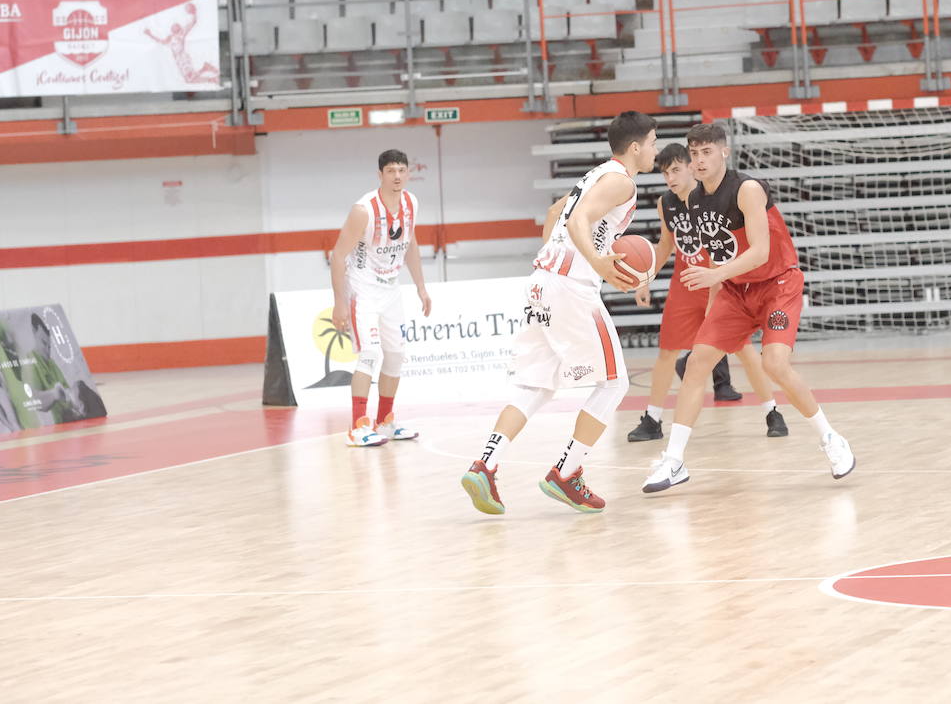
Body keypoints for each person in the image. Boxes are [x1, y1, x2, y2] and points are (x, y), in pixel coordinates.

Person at [460, 111, 659, 514]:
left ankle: (486, 464)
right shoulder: (621, 181)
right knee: (614, 384)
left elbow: (555, 215)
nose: (655, 149)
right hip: (571, 287)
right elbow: (580, 219)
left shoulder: (595, 175)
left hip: (542, 281)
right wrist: (597, 262)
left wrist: (558, 262)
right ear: (636, 147)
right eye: (654, 142)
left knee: (534, 384)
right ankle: (566, 473)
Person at [642, 122, 855, 493]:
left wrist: (714, 275)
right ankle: (674, 460)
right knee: (696, 363)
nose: (699, 160)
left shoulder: (747, 189)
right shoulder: (692, 200)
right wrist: (713, 298)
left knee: (774, 363)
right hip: (734, 292)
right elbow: (716, 252)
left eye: (706, 152)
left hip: (777, 285)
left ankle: (831, 438)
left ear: (724, 152)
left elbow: (760, 252)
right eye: (694, 153)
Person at [627, 143, 789, 443]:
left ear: (692, 167)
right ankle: (652, 418)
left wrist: (720, 279)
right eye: (665, 173)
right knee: (667, 352)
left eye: (675, 170)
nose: (670, 178)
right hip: (686, 283)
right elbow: (665, 245)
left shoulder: (713, 198)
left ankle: (772, 410)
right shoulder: (667, 203)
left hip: (719, 280)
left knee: (744, 349)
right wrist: (644, 278)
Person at [330, 149, 432, 447]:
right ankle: (358, 426)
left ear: (408, 173)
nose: (397, 176)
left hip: (391, 289)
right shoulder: (364, 210)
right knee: (369, 354)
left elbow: (410, 244)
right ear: (380, 175)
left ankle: (385, 421)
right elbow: (337, 255)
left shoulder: (411, 203)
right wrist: (339, 302)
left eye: (402, 170)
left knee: (396, 355)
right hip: (362, 290)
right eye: (391, 171)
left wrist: (421, 287)